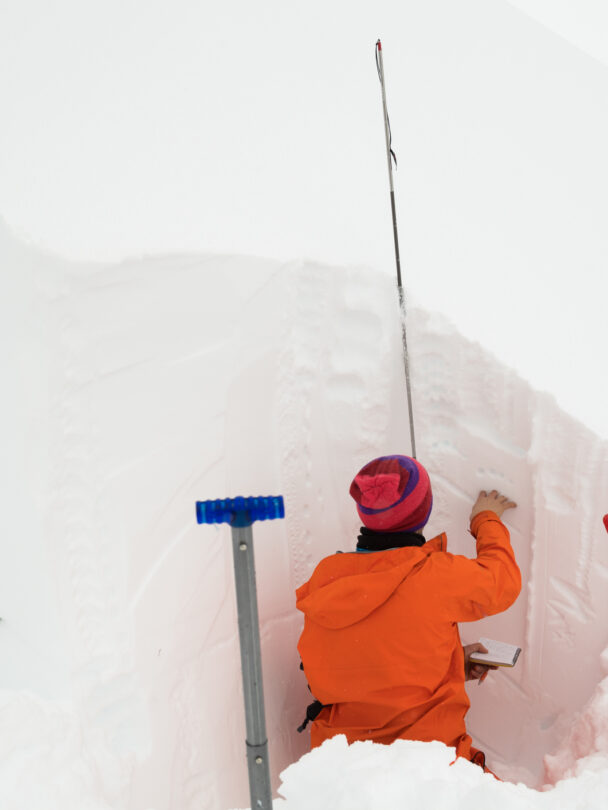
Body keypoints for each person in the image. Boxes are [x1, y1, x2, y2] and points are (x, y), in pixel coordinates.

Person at [295, 454, 521, 773]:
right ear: (423, 512)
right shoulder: (434, 576)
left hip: (342, 767)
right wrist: (486, 519)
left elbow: (362, 662)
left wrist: (452, 662)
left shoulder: (327, 578)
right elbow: (502, 582)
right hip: (427, 764)